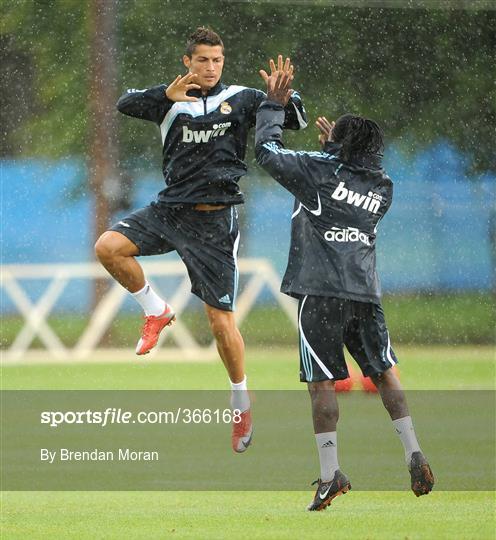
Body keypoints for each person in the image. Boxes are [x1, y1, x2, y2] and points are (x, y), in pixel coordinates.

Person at [94, 28, 307, 453]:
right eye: (203, 60)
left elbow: (295, 121)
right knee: (108, 247)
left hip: (214, 224)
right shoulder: (168, 98)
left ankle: (240, 398)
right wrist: (165, 93)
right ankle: (156, 311)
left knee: (220, 324)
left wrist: (281, 97)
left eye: (217, 60)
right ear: (187, 62)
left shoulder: (244, 99)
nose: (211, 68)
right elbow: (123, 103)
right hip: (170, 210)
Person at [255, 67, 434, 509]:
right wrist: (335, 151)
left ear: (341, 145)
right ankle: (413, 451)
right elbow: (345, 184)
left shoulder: (318, 170)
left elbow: (266, 152)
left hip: (319, 291)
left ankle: (329, 474)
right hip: (365, 292)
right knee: (383, 371)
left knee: (322, 385)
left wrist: (273, 106)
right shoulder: (383, 186)